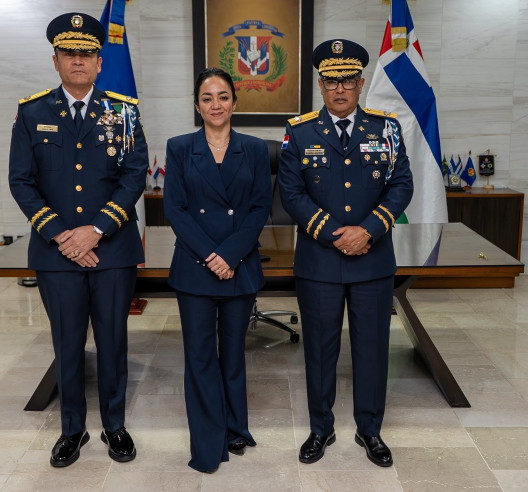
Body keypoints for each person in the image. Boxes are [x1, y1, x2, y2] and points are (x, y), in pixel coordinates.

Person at [9, 12, 148, 467]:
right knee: (67, 342)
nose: (78, 62)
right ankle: (72, 430)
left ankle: (114, 425)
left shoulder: (124, 112)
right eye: (70, 54)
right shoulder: (32, 112)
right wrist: (60, 234)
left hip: (112, 250)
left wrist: (96, 230)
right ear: (55, 60)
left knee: (112, 341)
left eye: (87, 54)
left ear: (99, 62)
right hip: (56, 252)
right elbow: (21, 181)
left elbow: (133, 178)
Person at [278, 39, 413, 467]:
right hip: (319, 261)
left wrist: (368, 230)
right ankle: (321, 428)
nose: (340, 88)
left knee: (372, 348)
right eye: (332, 81)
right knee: (319, 348)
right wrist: (335, 233)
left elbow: (402, 186)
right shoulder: (299, 131)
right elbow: (292, 193)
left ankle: (369, 430)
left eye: (348, 81)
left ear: (360, 84)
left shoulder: (385, 128)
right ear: (320, 85)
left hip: (372, 259)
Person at [163, 67, 272, 473]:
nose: (215, 104)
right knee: (201, 357)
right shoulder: (179, 148)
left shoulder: (256, 149)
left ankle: (234, 427)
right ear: (196, 105)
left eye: (223, 96)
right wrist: (212, 255)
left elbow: (260, 208)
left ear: (235, 103)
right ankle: (208, 442)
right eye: (207, 98)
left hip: (239, 266)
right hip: (195, 267)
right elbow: (175, 208)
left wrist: (231, 255)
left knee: (233, 356)